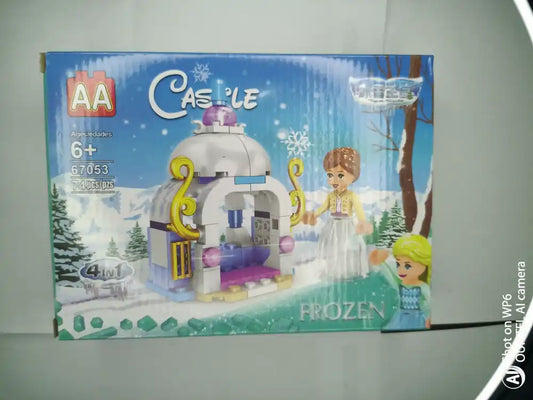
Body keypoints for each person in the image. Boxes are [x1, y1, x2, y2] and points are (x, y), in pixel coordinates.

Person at [302, 147, 372, 280]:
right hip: (333, 224)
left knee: (346, 246)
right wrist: (314, 215)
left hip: (347, 225)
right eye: (330, 175)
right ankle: (333, 270)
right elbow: (323, 208)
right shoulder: (331, 196)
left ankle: (348, 271)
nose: (334, 180)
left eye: (340, 175)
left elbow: (359, 211)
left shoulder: (352, 196)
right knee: (332, 246)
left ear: (353, 176)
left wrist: (362, 222)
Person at [369, 234, 432, 330]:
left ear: (423, 265)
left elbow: (428, 303)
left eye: (407, 266)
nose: (401, 270)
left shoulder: (423, 286)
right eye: (398, 264)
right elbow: (389, 274)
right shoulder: (400, 283)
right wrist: (381, 262)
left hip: (417, 319)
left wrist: (429, 317)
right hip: (401, 318)